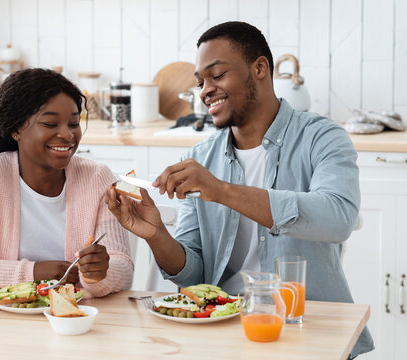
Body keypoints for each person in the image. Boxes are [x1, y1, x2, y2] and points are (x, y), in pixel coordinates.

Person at [106, 21, 373, 357]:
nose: (205, 90)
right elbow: (194, 277)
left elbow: (338, 218)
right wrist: (157, 234)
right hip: (224, 329)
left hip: (305, 326)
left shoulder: (322, 137)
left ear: (259, 68)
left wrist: (221, 191)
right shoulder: (200, 157)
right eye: (200, 82)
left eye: (217, 75)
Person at [0, 68, 133, 297]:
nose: (68, 135)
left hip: (75, 320)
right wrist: (31, 272)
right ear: (16, 130)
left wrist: (98, 274)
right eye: (51, 125)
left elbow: (124, 268)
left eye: (73, 123)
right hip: (1, 319)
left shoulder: (97, 178)